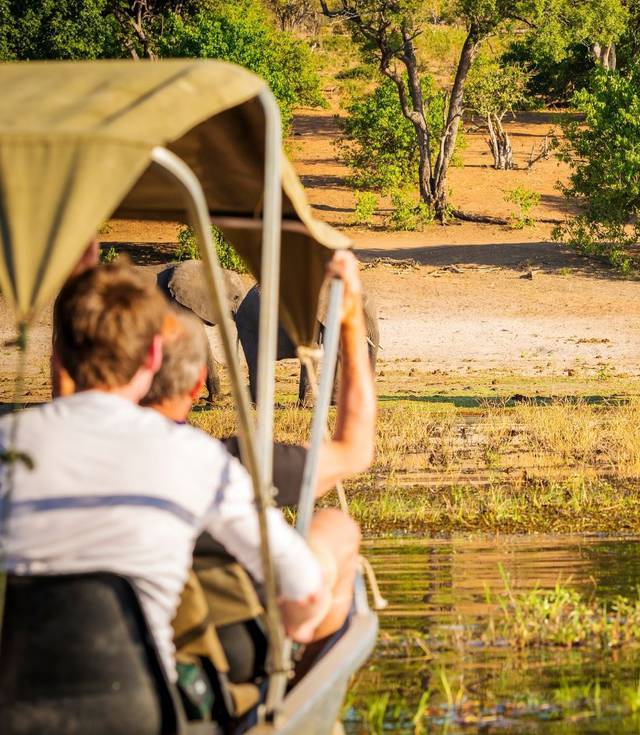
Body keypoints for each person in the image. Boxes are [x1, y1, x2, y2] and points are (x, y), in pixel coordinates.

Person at [0, 258, 357, 682]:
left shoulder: (9, 443)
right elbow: (305, 588)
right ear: (153, 354)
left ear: (57, 353)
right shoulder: (195, 456)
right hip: (144, 705)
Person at [141, 253, 375, 684]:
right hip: (194, 673)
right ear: (198, 384)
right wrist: (352, 323)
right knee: (335, 527)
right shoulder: (217, 465)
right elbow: (355, 451)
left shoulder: (20, 452)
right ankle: (295, 690)